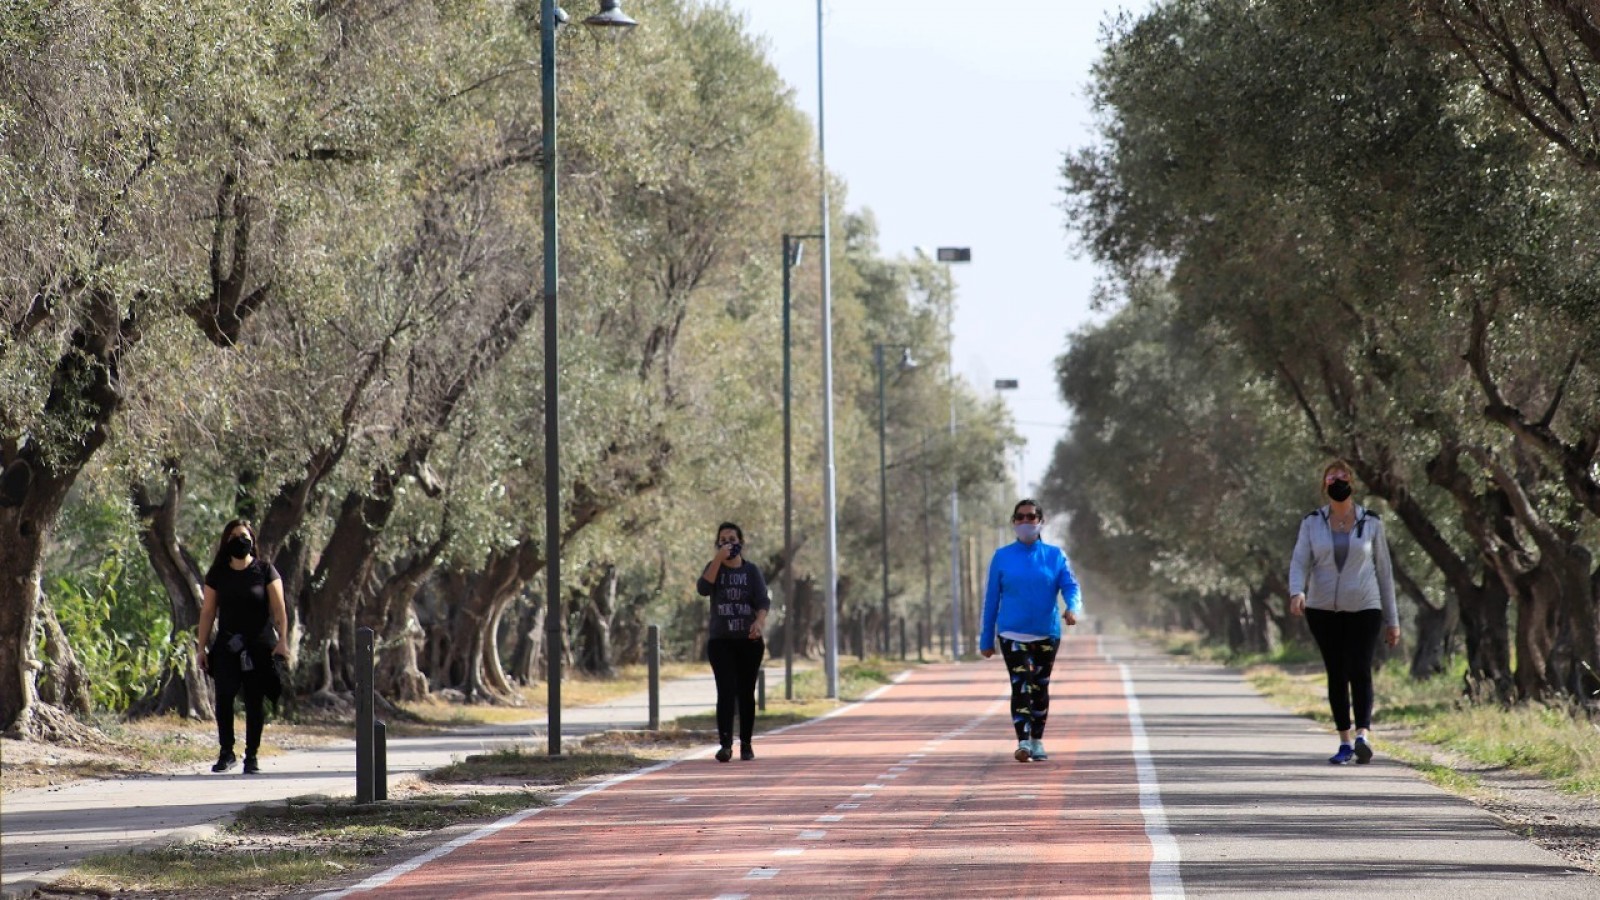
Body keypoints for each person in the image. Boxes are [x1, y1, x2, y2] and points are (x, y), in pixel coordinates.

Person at [1288, 459, 1401, 765]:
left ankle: (1363, 735)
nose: (1337, 481)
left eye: (1343, 476)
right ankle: (1344, 741)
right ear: (1324, 485)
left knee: (1360, 668)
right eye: (1331, 477)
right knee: (1336, 672)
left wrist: (1393, 620)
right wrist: (1297, 591)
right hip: (1322, 609)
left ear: (1352, 482)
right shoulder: (1312, 522)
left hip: (1365, 606)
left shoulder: (1371, 522)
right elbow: (1299, 561)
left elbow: (1384, 572)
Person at [979, 499, 1082, 763]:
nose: (1026, 522)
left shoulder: (1055, 556)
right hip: (1012, 633)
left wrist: (1072, 608)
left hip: (1046, 634)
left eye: (1031, 517)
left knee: (1040, 686)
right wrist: (986, 638)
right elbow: (991, 600)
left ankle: (1037, 739)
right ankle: (1023, 741)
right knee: (1021, 683)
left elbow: (1071, 586)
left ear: (1040, 522)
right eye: (1020, 517)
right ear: (1014, 522)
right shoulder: (1002, 557)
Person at [197, 520, 290, 775]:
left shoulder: (266, 571)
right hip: (227, 646)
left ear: (252, 541)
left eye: (244, 536)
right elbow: (208, 612)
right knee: (224, 698)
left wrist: (283, 640)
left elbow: (279, 609)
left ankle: (252, 756)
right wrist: (201, 648)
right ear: (226, 542)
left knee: (254, 701)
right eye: (234, 537)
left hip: (259, 646)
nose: (240, 541)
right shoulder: (217, 574)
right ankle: (226, 752)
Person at [696, 522, 770, 763]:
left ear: (741, 543)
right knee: (726, 691)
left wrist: (759, 622)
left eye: (732, 539)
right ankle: (725, 745)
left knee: (746, 693)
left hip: (749, 642)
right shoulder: (713, 568)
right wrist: (718, 559)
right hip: (721, 642)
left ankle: (746, 744)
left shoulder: (751, 571)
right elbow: (703, 589)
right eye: (723, 540)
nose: (728, 544)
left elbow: (763, 601)